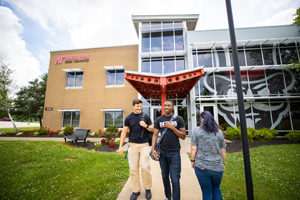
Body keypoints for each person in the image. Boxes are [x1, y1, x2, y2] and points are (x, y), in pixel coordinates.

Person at [118, 99, 154, 200]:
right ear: (133, 106)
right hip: (132, 145)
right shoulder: (129, 117)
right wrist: (121, 146)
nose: (139, 108)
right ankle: (136, 190)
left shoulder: (145, 116)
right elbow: (124, 132)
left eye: (140, 106)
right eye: (137, 106)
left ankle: (147, 188)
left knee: (145, 167)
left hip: (144, 145)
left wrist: (145, 125)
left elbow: (153, 128)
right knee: (133, 169)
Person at [152, 100, 186, 200]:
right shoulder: (159, 119)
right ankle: (167, 196)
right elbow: (154, 135)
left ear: (173, 107)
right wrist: (153, 148)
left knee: (175, 180)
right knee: (165, 177)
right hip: (162, 153)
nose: (166, 107)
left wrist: (172, 128)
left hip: (174, 153)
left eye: (169, 105)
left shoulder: (178, 119)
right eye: (165, 105)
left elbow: (183, 136)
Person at [190, 111, 226, 200]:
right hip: (217, 167)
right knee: (216, 188)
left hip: (202, 167)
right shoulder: (219, 132)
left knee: (206, 192)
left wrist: (192, 160)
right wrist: (223, 163)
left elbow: (193, 148)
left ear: (202, 119)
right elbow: (223, 150)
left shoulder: (197, 131)